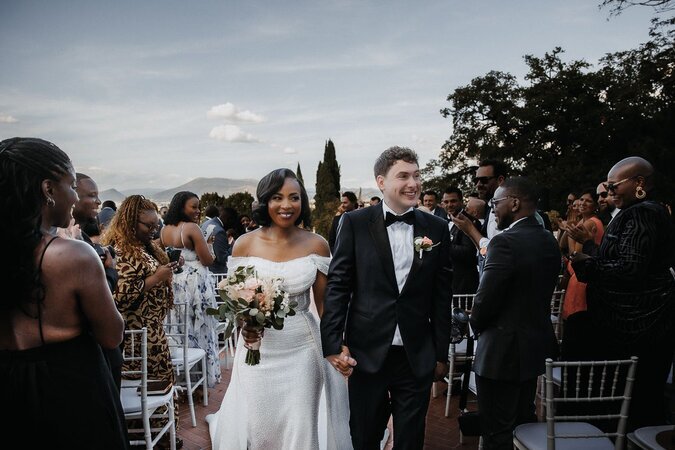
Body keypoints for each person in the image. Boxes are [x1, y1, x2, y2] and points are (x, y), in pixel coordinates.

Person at [207, 168, 351, 450]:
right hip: (258, 351)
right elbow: (237, 299)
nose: (286, 205)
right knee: (259, 427)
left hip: (303, 349)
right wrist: (245, 324)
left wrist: (338, 346)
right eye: (277, 197)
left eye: (294, 197)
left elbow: (323, 306)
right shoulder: (244, 244)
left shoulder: (317, 245)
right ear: (264, 202)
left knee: (300, 424)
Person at [0, 137, 129, 449]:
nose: (74, 197)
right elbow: (112, 336)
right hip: (69, 388)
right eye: (71, 185)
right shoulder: (74, 255)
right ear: (48, 190)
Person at [321, 146, 452, 450]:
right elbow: (339, 284)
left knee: (410, 440)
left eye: (417, 175)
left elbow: (441, 295)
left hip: (416, 353)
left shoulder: (436, 227)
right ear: (381, 182)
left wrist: (440, 353)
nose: (413, 183)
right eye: (403, 176)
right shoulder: (354, 223)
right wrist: (332, 343)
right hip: (366, 352)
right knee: (365, 436)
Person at [570, 156, 675, 431]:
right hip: (636, 327)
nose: (609, 191)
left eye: (614, 185)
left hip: (637, 328)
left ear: (639, 183)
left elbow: (629, 269)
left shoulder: (643, 213)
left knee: (634, 408)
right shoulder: (638, 211)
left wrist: (586, 261)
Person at [469, 177, 561, 450]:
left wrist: (474, 324)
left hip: (501, 352)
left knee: (497, 431)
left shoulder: (505, 242)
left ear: (515, 202)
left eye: (496, 203)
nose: (493, 209)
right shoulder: (548, 239)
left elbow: (485, 301)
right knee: (523, 423)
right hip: (533, 348)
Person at [101, 195, 180, 446]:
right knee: (148, 390)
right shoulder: (122, 251)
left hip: (153, 331)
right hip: (137, 336)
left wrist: (166, 272)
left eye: (156, 224)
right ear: (130, 223)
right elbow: (120, 296)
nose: (154, 229)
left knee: (161, 385)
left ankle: (163, 436)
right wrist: (157, 278)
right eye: (149, 225)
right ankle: (151, 440)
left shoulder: (145, 246)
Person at [160, 191, 221, 388]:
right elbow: (207, 260)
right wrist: (209, 245)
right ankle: (201, 379)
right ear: (181, 207)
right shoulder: (192, 228)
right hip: (195, 285)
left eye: (198, 207)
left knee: (179, 327)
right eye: (193, 206)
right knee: (201, 328)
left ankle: (183, 378)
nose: (197, 210)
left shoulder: (164, 229)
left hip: (175, 283)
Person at [71, 172, 124, 390]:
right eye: (92, 195)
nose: (98, 202)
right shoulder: (73, 245)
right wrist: (110, 271)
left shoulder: (80, 238)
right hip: (90, 347)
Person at [558, 189, 604, 360]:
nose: (583, 203)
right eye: (581, 200)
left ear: (595, 206)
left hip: (582, 277)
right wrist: (567, 228)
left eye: (588, 201)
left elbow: (575, 255)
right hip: (575, 277)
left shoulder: (591, 223)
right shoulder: (581, 223)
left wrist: (571, 230)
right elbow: (561, 245)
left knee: (577, 322)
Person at [443, 186, 480, 294]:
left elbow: (468, 252)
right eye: (446, 202)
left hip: (464, 283)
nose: (449, 205)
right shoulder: (443, 222)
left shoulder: (470, 222)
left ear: (461, 201)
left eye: (453, 201)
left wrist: (441, 244)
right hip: (447, 282)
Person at [200, 206, 237, 274]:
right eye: (232, 222)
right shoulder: (219, 231)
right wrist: (233, 246)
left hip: (205, 269)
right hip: (216, 273)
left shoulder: (206, 223)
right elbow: (222, 258)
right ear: (229, 219)